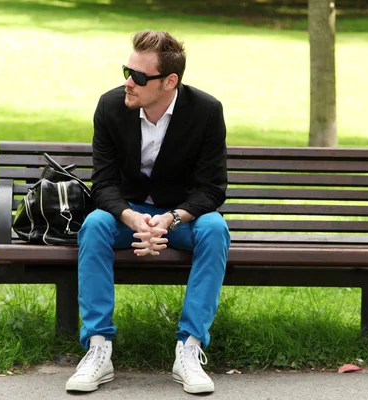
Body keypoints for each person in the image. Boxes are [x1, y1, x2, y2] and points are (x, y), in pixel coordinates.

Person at [65, 30, 230, 394]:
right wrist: (131, 217)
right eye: (127, 70)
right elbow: (103, 183)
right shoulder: (110, 107)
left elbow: (213, 189)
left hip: (181, 216)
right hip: (128, 215)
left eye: (139, 76)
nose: (128, 82)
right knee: (94, 225)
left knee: (215, 230)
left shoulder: (205, 111)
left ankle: (189, 348)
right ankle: (98, 348)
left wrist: (172, 218)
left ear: (169, 81)